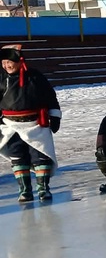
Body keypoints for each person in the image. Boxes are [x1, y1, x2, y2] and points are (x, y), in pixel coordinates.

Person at [0, 44, 61, 202]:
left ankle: (43, 189)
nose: (6, 66)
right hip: (10, 126)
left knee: (41, 157)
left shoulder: (35, 76)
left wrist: (55, 117)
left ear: (20, 61)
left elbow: (50, 97)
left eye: (9, 62)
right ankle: (25, 190)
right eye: (3, 63)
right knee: (18, 157)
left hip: (35, 125)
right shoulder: (1, 78)